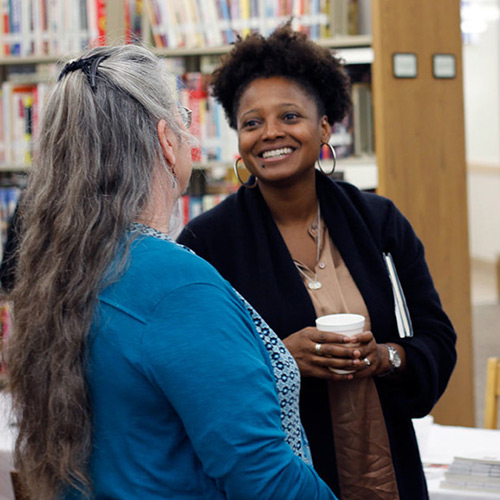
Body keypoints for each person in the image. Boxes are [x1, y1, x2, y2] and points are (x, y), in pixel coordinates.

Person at [6, 44, 336, 500]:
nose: (190, 136)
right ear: (165, 139)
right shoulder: (177, 288)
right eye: (184, 118)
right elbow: (264, 476)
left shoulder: (68, 266)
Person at [177, 24, 457, 500]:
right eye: (251, 122)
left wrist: (385, 357)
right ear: (239, 139)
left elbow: (437, 338)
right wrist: (279, 358)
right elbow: (193, 378)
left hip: (389, 472)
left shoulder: (379, 222)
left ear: (325, 126)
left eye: (290, 116)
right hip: (282, 481)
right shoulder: (207, 243)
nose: (271, 134)